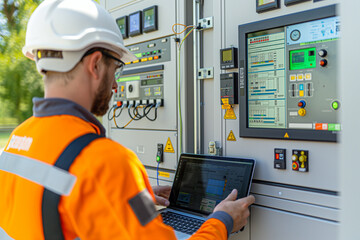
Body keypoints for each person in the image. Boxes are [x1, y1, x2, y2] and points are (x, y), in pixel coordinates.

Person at [0, 0, 255, 239]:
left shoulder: (18, 141)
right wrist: (223, 220)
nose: (115, 85)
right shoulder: (108, 163)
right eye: (116, 69)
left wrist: (130, 198)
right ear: (96, 64)